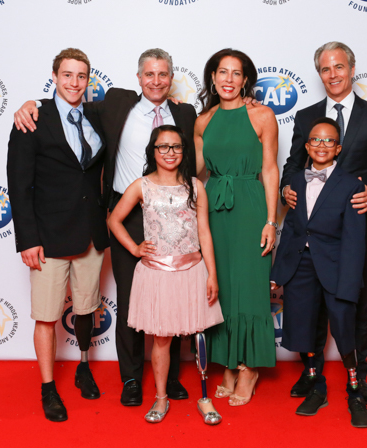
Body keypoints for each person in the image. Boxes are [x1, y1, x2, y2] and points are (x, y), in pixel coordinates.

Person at [13, 49, 196, 406]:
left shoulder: (185, 113)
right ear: (138, 78)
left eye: (162, 75)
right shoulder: (115, 103)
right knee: (129, 299)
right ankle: (131, 378)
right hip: (126, 213)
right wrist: (28, 104)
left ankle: (170, 375)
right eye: (149, 74)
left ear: (171, 78)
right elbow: (63, 110)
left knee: (171, 296)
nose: (155, 81)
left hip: (174, 214)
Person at [281, 42, 367, 411]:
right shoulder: (306, 117)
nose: (332, 75)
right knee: (310, 303)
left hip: (356, 230)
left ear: (351, 68)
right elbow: (292, 164)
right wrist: (287, 186)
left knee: (355, 303)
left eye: (339, 67)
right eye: (325, 69)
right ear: (319, 74)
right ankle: (311, 371)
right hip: (312, 232)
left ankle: (357, 376)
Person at [7, 48, 108, 422]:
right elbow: (19, 186)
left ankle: (83, 366)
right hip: (48, 237)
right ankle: (48, 388)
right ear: (54, 76)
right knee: (47, 316)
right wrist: (27, 239)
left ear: (88, 80)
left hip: (91, 234)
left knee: (86, 307)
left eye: (81, 76)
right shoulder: (33, 118)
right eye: (67, 75)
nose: (74, 83)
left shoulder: (96, 115)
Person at [108, 125, 224, 424]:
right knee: (161, 338)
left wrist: (212, 274)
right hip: (157, 271)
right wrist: (134, 248)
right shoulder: (141, 185)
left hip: (192, 269)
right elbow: (114, 220)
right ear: (153, 151)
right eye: (163, 147)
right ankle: (161, 398)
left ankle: (204, 396)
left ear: (184, 152)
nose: (169, 153)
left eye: (176, 147)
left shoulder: (196, 186)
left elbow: (205, 233)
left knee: (197, 332)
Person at [193, 49, 279, 406]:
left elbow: (270, 170)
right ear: (212, 77)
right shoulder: (203, 121)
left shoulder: (262, 115)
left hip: (249, 203)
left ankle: (250, 367)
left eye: (236, 73)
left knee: (250, 285)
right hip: (213, 206)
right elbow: (193, 171)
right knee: (222, 287)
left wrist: (271, 221)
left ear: (246, 79)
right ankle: (229, 361)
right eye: (221, 72)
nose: (228, 79)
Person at [270, 117, 367, 427]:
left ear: (338, 148)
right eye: (316, 140)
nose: (322, 145)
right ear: (307, 146)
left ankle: (354, 389)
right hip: (301, 266)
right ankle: (316, 384)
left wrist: (351, 280)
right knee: (304, 327)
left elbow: (355, 239)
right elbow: (293, 229)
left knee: (343, 328)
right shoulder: (296, 181)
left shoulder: (353, 184)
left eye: (329, 141)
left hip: (337, 267)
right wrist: (279, 270)